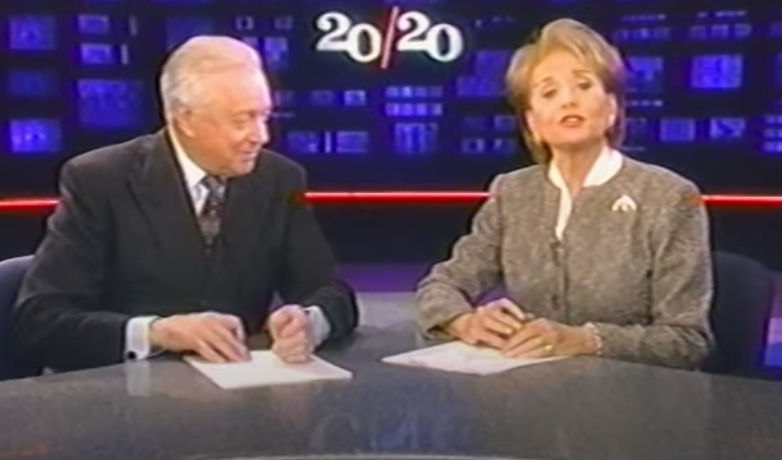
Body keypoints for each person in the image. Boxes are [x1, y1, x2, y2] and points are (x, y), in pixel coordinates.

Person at [12, 35, 358, 371]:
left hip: (240, 399)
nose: (261, 136)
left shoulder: (278, 179)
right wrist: (158, 332)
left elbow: (331, 292)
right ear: (185, 118)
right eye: (242, 120)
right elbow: (42, 319)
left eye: (264, 116)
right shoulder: (99, 181)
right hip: (123, 403)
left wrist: (310, 321)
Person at [415, 19, 713, 370]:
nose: (569, 100)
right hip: (533, 397)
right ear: (532, 124)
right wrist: (465, 321)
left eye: (584, 85)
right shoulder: (512, 194)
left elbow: (687, 340)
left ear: (613, 109)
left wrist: (585, 340)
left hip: (634, 401)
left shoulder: (668, 197)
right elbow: (440, 286)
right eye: (549, 92)